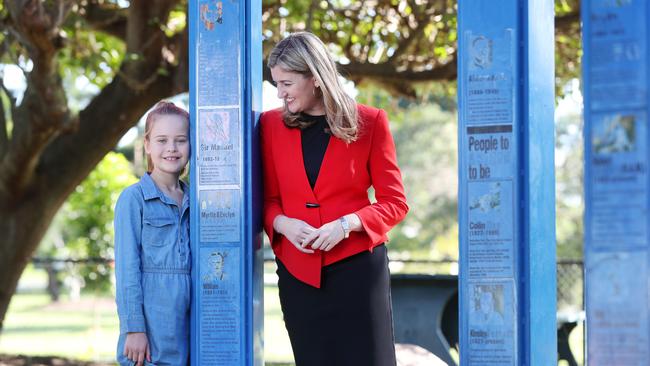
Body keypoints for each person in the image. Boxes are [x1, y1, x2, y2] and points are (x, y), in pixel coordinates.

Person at [261, 32, 409, 366]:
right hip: (298, 273)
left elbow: (395, 202)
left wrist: (346, 225)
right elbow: (267, 200)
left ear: (314, 78)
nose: (279, 93)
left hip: (358, 270)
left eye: (286, 83)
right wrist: (284, 224)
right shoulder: (269, 126)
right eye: (276, 84)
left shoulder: (371, 122)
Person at [114, 101, 191, 366]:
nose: (171, 148)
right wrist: (134, 328)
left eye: (180, 140)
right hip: (150, 329)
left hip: (189, 327)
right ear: (147, 144)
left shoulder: (198, 200)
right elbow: (126, 270)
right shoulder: (133, 199)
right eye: (162, 140)